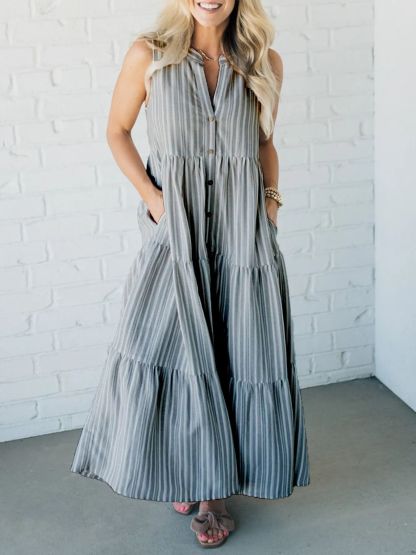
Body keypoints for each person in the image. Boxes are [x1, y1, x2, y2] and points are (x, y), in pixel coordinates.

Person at [70, 0, 311, 548]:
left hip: (243, 235)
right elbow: (117, 131)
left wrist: (270, 206)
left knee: (236, 351)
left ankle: (213, 494)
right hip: (175, 232)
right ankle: (186, 469)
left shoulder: (264, 62)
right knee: (170, 347)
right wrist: (154, 200)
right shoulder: (149, 56)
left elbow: (264, 144)